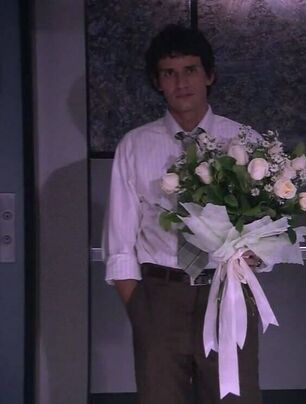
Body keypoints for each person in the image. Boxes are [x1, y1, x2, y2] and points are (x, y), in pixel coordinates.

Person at [103, 24, 262, 404]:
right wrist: (140, 308)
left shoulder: (244, 142)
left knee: (234, 398)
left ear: (209, 75)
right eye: (169, 73)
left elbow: (265, 228)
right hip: (160, 295)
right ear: (157, 82)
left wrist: (256, 255)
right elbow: (120, 242)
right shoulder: (135, 146)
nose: (181, 83)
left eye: (190, 70)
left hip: (226, 293)